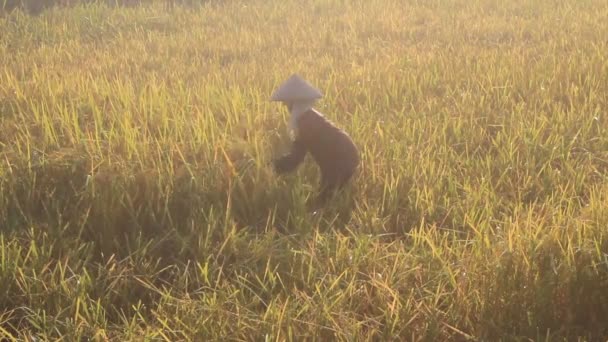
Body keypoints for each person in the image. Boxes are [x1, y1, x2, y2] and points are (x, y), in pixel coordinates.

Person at [270, 74, 360, 208]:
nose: (284, 105)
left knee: (322, 203)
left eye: (287, 102)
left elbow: (296, 159)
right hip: (346, 154)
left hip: (340, 160)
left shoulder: (306, 123)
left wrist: (271, 167)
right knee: (329, 197)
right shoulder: (309, 116)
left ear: (294, 103)